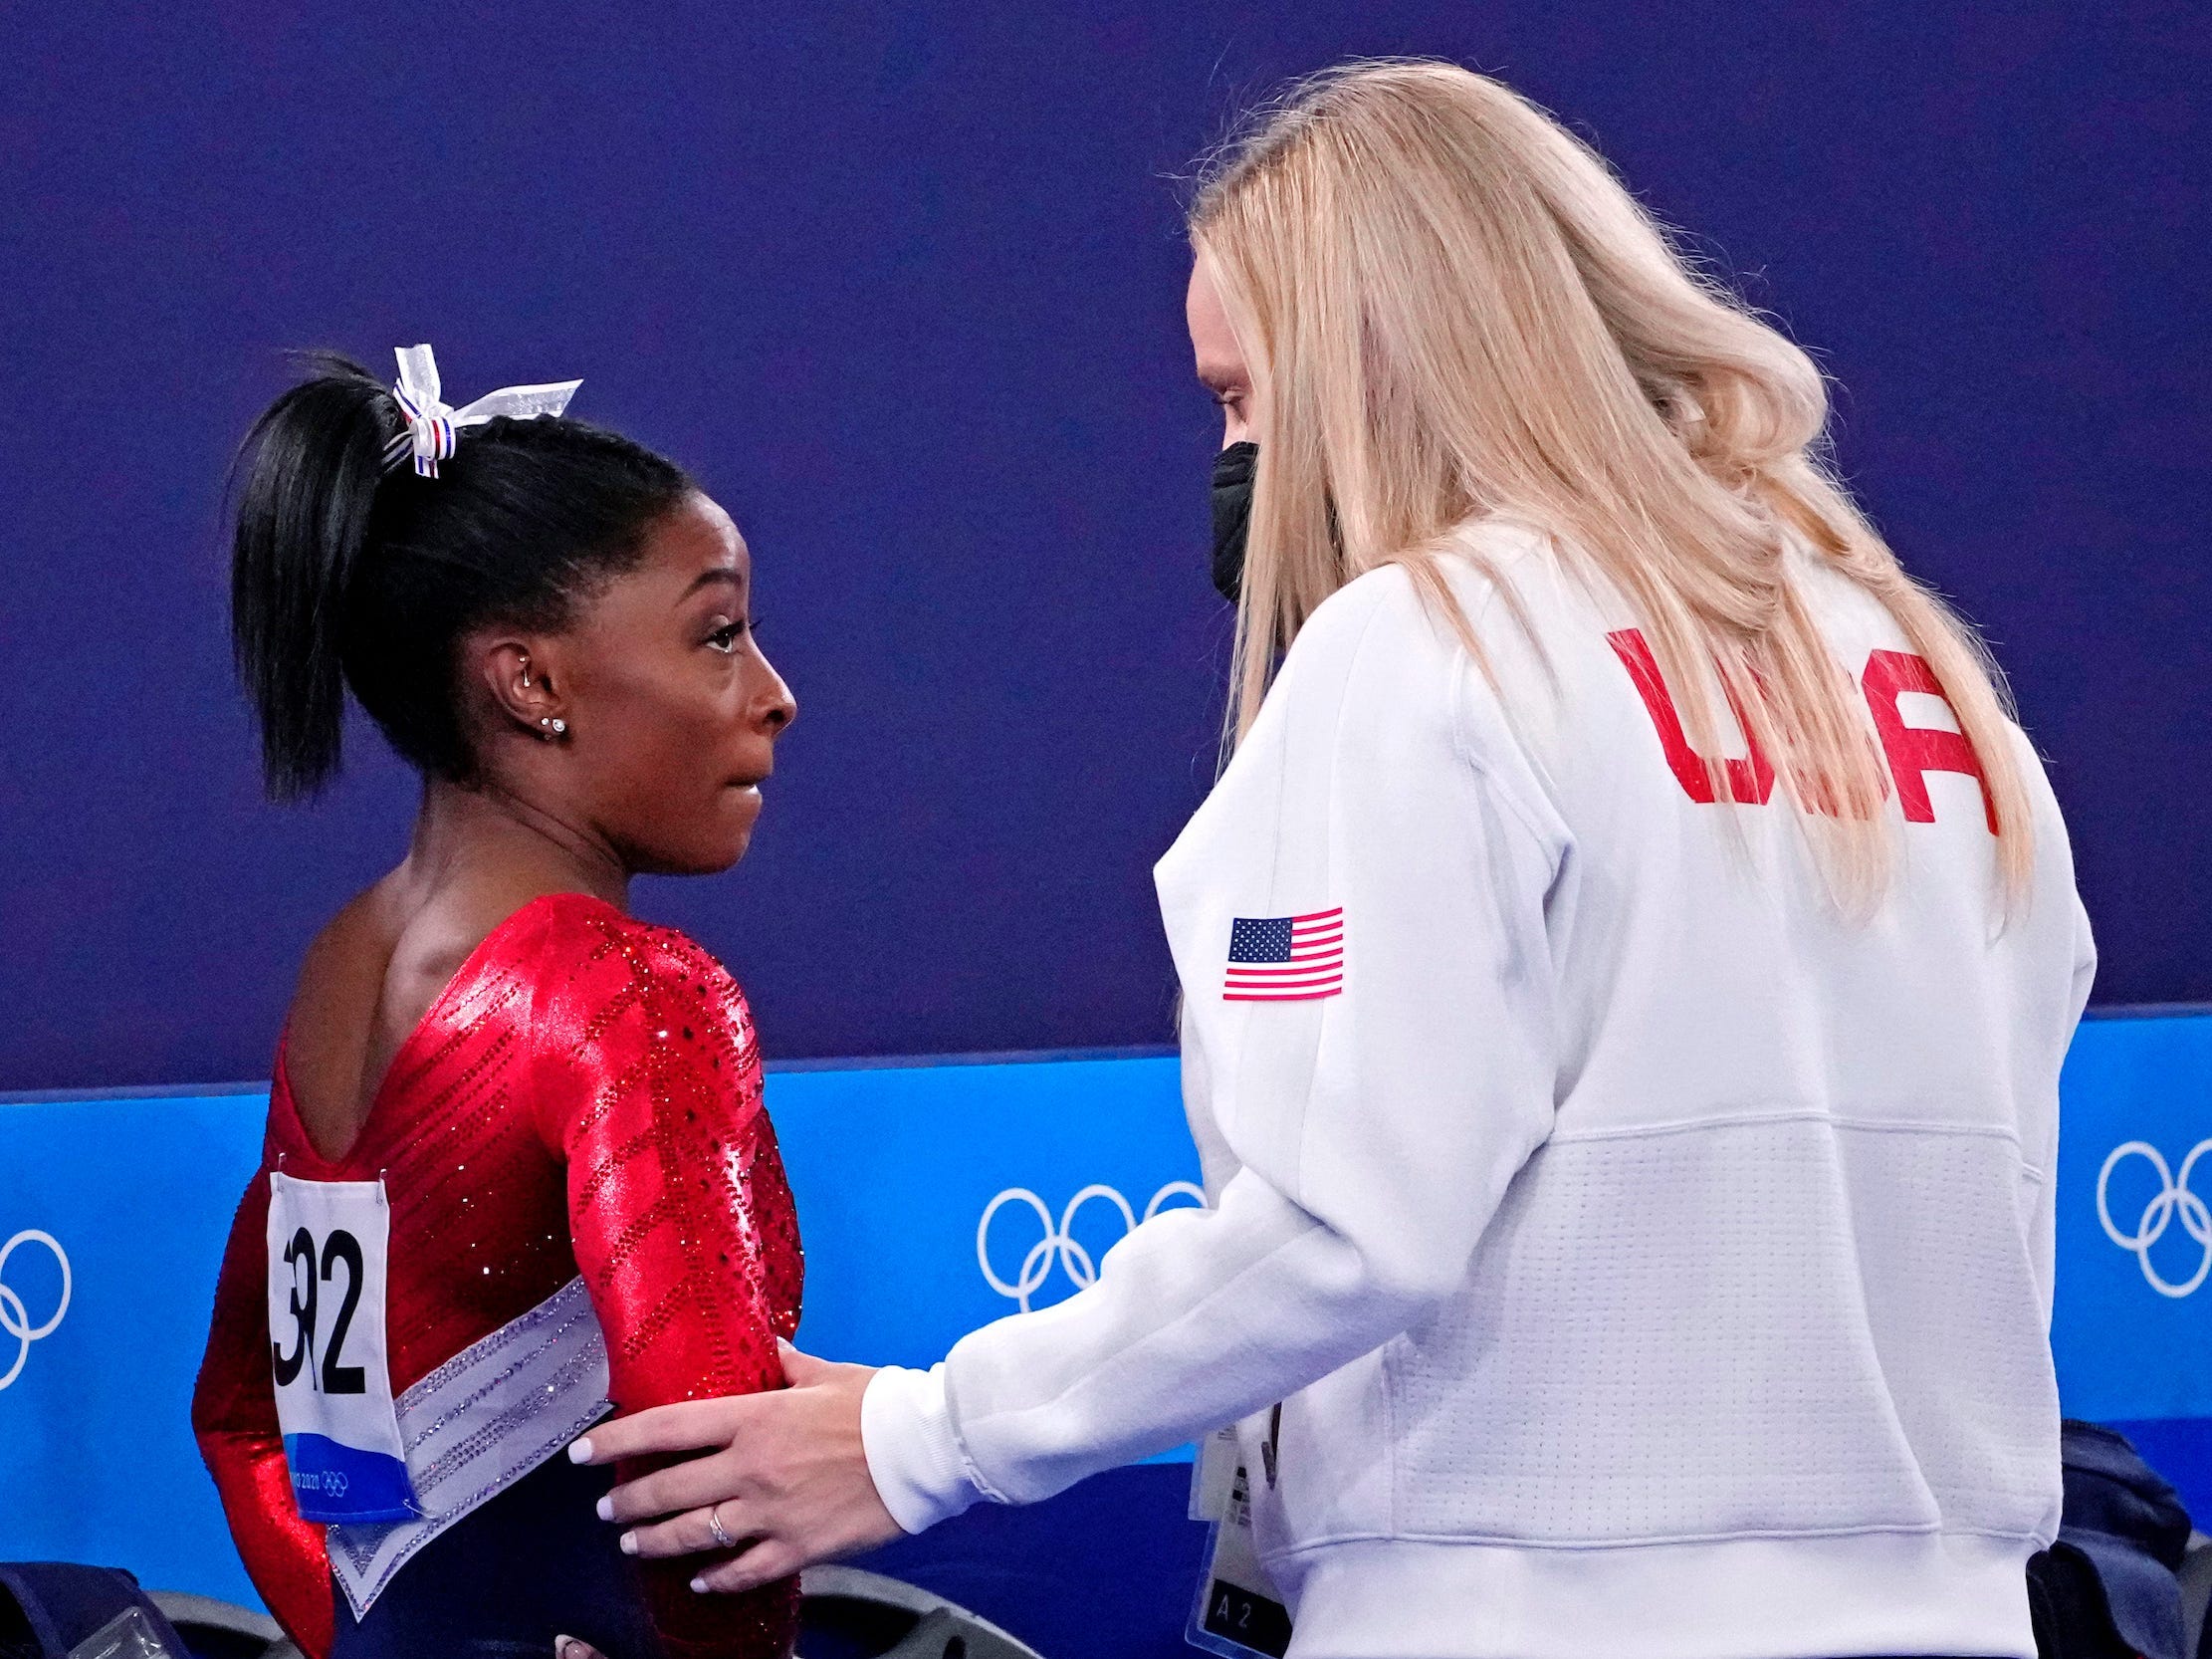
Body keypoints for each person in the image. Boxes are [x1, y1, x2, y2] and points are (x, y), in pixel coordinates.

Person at [571, 60, 2096, 1659]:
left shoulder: (1425, 648)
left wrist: (921, 1436)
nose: (1231, 458)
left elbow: (1344, 1221)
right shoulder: (1917, 665)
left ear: (1384, 365)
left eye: (1242, 398)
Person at [190, 346, 804, 1659]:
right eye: (718, 634)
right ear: (530, 682)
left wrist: (363, 1637)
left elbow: (248, 1418)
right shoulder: (630, 993)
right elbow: (712, 1436)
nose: (772, 694)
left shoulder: (340, 969)